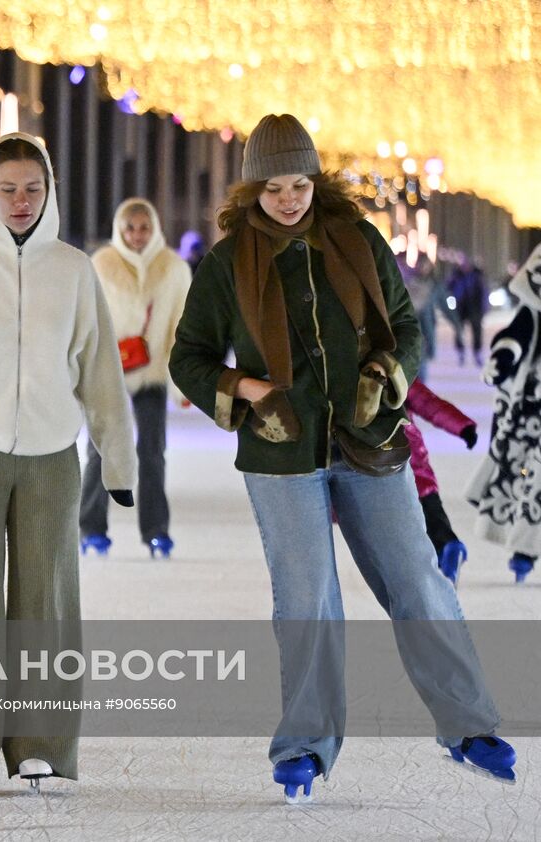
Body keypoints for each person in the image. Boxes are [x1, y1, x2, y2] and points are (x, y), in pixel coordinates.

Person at [169, 114, 515, 803]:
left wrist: (386, 373)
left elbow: (406, 327)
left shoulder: (357, 240)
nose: (288, 199)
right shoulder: (228, 264)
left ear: (315, 180)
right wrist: (249, 390)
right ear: (253, 190)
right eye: (273, 188)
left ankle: (469, 725)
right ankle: (304, 745)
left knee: (417, 580)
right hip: (282, 451)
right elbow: (190, 358)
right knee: (308, 599)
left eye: (299, 184)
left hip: (369, 440)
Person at [0, 133, 137, 789]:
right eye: (7, 189)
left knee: (48, 602)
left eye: (32, 189)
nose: (20, 201)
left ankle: (42, 742)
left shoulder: (74, 270)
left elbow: (101, 374)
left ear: (49, 193)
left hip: (50, 457)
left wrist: (118, 465)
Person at [80, 198, 191, 557]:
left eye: (144, 227)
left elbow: (180, 326)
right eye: (130, 228)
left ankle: (157, 530)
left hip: (152, 371)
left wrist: (182, 384)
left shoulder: (173, 268)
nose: (137, 235)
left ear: (155, 228)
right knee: (101, 449)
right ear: (119, 229)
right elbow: (86, 321)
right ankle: (91, 527)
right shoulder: (101, 265)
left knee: (152, 452)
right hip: (108, 371)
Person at [466, 242, 541, 583]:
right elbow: (516, 334)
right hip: (531, 408)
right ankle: (525, 550)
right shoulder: (533, 310)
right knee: (529, 476)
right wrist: (503, 358)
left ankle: (525, 550)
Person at [401, 379, 478, 583]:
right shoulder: (399, 373)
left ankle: (434, 561)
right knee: (431, 511)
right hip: (414, 461)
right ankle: (448, 544)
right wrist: (462, 426)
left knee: (406, 523)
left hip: (385, 466)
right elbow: (430, 404)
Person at [449, 257, 487, 366]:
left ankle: (477, 352)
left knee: (477, 331)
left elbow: (483, 293)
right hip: (460, 307)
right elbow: (449, 289)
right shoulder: (456, 276)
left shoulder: (477, 276)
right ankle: (461, 352)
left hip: (474, 307)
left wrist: (484, 308)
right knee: (459, 330)